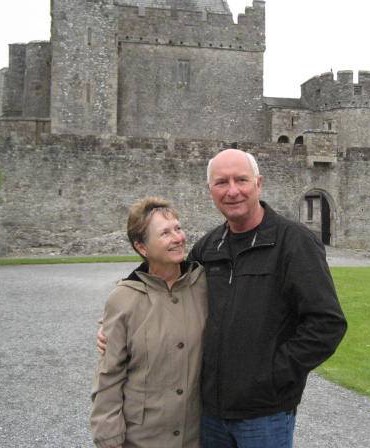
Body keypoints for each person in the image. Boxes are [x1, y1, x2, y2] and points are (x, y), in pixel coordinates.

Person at [99, 149, 347, 447]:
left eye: (241, 180)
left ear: (259, 184)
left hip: (264, 414)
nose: (232, 191)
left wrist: (273, 375)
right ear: (210, 190)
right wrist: (122, 312)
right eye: (221, 183)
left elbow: (327, 324)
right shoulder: (209, 246)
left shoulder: (293, 243)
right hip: (209, 412)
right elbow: (167, 281)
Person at [90, 196, 207, 448]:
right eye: (165, 233)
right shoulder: (123, 299)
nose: (178, 238)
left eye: (178, 228)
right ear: (142, 247)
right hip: (143, 439)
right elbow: (109, 375)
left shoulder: (205, 286)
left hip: (197, 436)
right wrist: (109, 437)